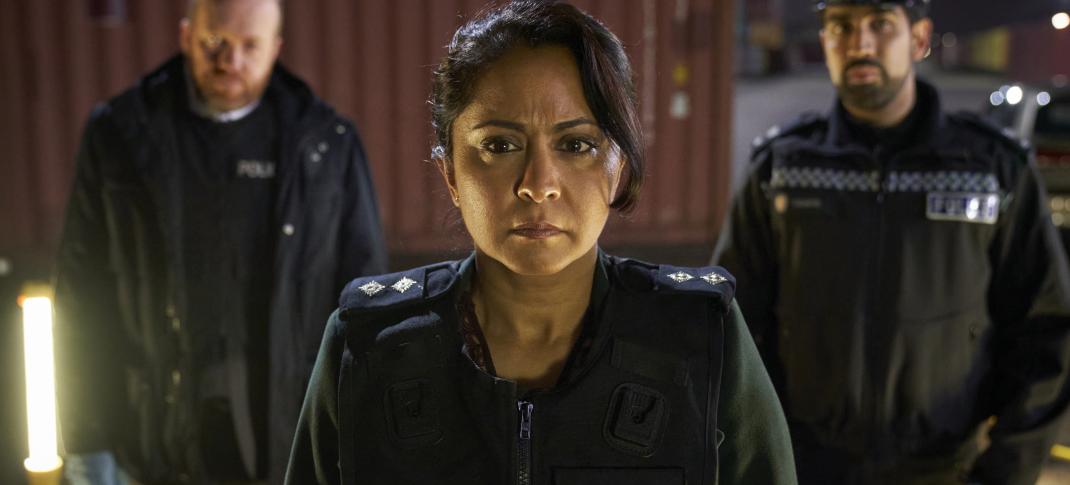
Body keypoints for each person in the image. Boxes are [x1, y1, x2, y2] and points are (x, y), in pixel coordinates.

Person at [284, 1, 796, 484]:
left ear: (618, 167)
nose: (538, 182)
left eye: (577, 145)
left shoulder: (702, 336)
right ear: (451, 176)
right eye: (500, 145)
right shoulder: (369, 344)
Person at [714, 0, 1070, 483]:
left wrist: (1006, 469)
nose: (860, 44)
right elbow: (728, 328)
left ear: (919, 39)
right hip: (805, 468)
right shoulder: (781, 171)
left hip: (946, 469)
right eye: (841, 26)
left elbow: (1045, 332)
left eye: (880, 24)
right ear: (825, 43)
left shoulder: (992, 170)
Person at [52, 0, 387, 483]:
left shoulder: (326, 143)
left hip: (291, 430)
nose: (230, 60)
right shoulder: (121, 134)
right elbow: (81, 296)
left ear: (275, 50)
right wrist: (86, 441)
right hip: (155, 436)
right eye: (216, 42)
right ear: (186, 36)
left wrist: (364, 430)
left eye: (249, 46)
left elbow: (364, 300)